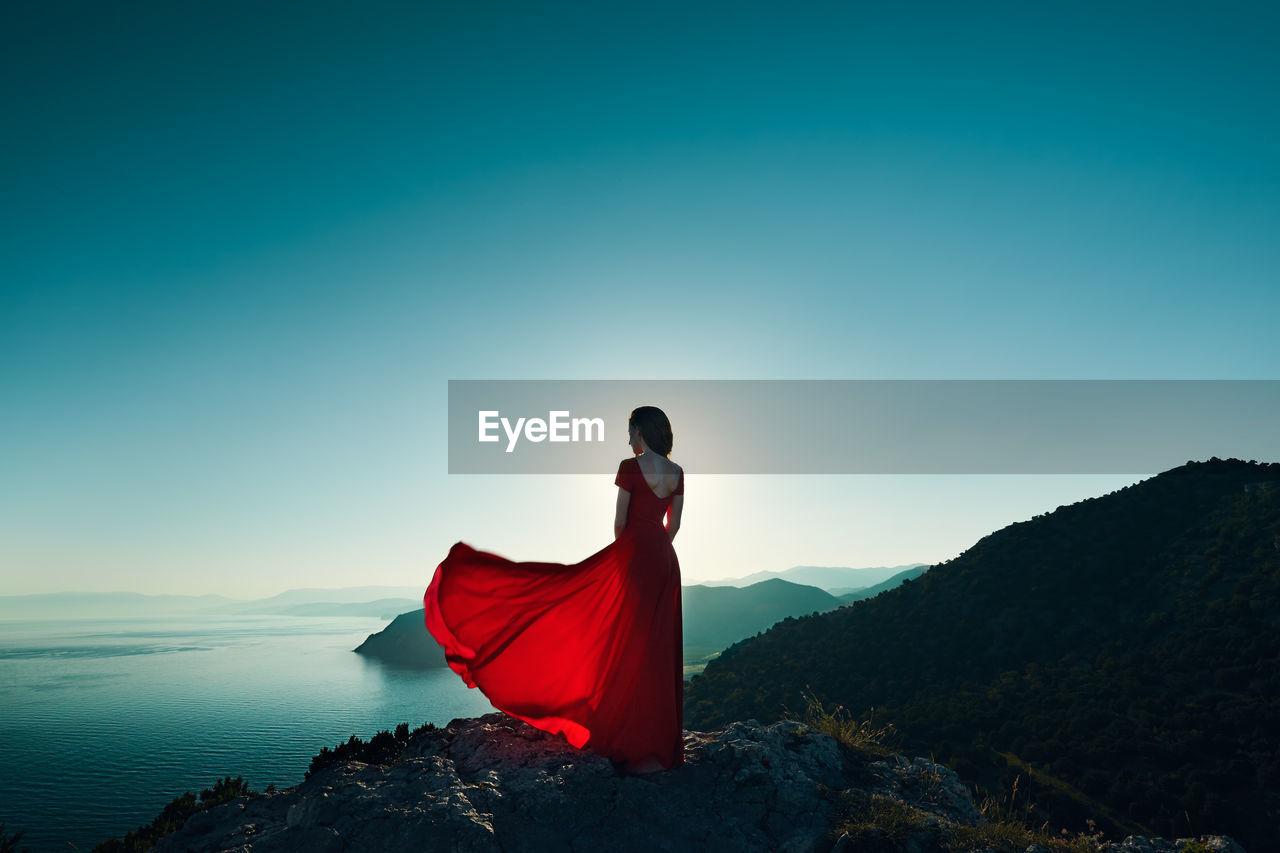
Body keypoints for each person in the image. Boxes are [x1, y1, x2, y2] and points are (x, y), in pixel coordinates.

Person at [423, 405, 686, 774]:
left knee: (624, 642)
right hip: (665, 561)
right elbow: (672, 529)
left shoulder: (630, 466)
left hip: (634, 558)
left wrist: (622, 562)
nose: (628, 439)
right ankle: (656, 749)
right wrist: (654, 550)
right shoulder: (677, 472)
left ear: (641, 431)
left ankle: (629, 738)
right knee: (656, 649)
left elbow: (620, 524)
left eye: (630, 431)